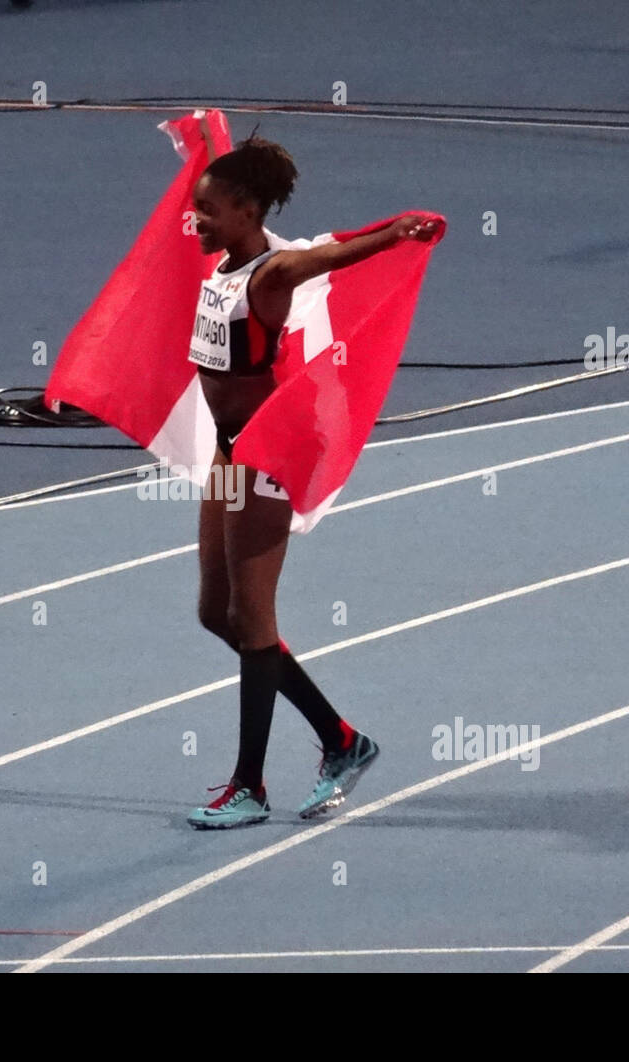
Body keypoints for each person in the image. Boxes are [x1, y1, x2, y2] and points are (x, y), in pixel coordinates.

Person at [186, 137, 439, 829]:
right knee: (217, 614)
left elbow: (324, 258)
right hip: (227, 453)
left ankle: (249, 786)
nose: (195, 220)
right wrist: (198, 144)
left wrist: (393, 234)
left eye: (207, 210)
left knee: (255, 619)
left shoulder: (272, 273)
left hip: (267, 456)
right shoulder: (223, 267)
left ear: (246, 211)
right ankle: (341, 739)